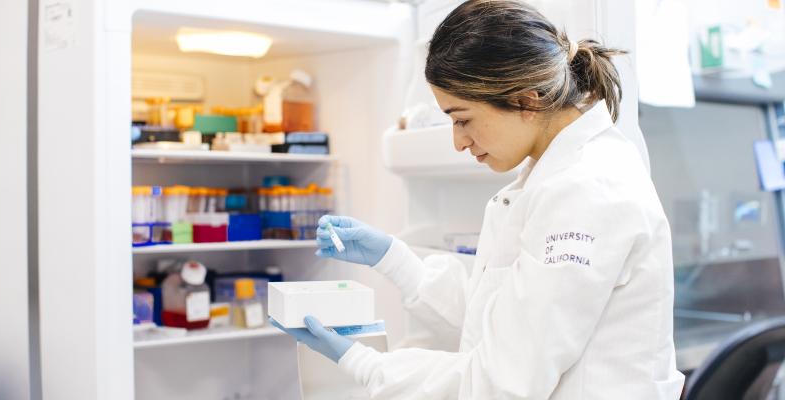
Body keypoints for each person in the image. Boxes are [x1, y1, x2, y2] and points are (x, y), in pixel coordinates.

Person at [271, 0, 685, 398]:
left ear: (526, 99)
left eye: (461, 118)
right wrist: (394, 259)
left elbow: (503, 383)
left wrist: (364, 364)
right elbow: (496, 319)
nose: (457, 141)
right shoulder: (551, 178)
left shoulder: (586, 190)